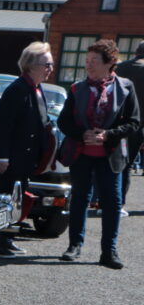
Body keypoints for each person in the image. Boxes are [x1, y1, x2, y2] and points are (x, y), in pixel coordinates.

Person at [58, 39, 140, 269]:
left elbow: (134, 122)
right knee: (79, 199)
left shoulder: (126, 87)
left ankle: (109, 251)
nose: (88, 65)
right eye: (87, 60)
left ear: (109, 63)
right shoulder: (77, 88)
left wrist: (108, 135)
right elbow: (64, 122)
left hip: (111, 155)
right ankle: (74, 246)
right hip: (81, 153)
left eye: (94, 60)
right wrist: (82, 133)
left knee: (112, 203)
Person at [0, 41, 55, 257]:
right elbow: (4, 126)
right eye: (46, 64)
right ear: (31, 65)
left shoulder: (36, 89)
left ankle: (8, 238)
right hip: (11, 158)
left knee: (16, 199)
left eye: (51, 64)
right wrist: (2, 156)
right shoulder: (17, 89)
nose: (50, 69)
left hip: (25, 158)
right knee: (4, 198)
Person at [115, 41, 144, 215]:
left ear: (135, 52)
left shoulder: (120, 68)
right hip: (138, 125)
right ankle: (118, 204)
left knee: (114, 164)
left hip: (116, 123)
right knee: (127, 164)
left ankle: (106, 201)